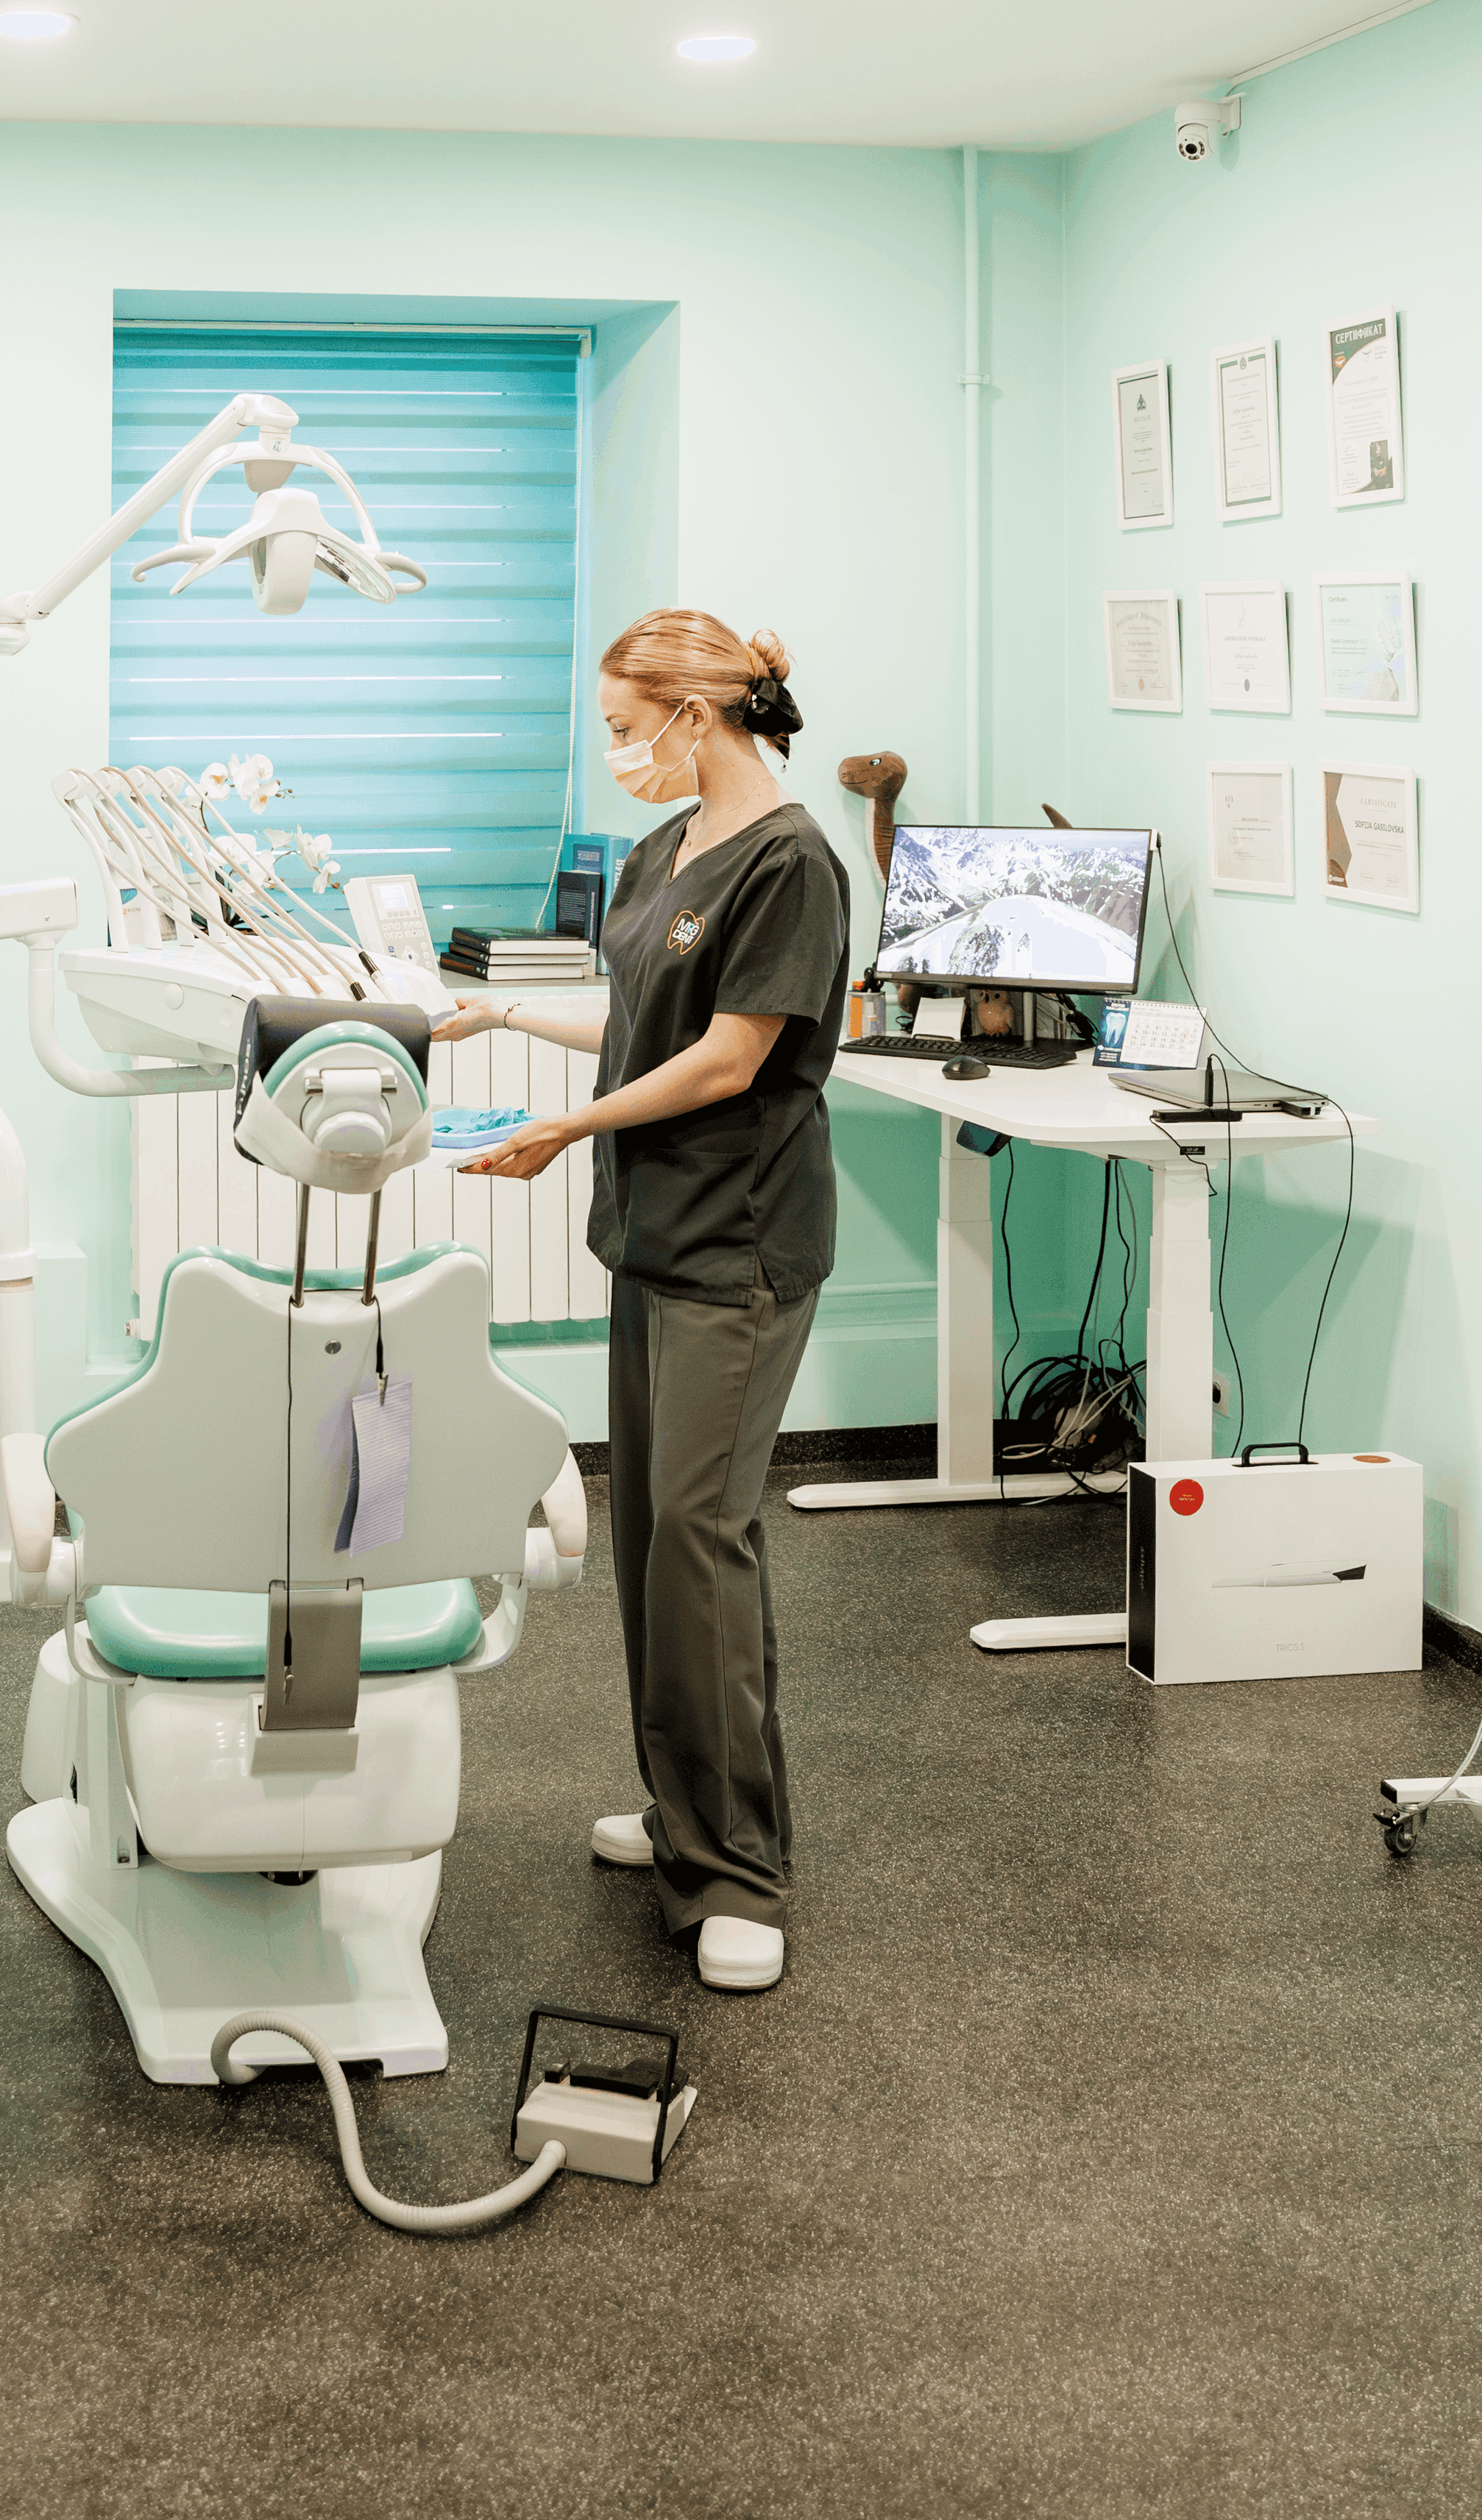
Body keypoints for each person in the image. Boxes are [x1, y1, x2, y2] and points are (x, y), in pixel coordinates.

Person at [436, 608, 848, 1992]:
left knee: (702, 1537)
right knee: (648, 1551)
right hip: (655, 1234)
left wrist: (565, 1129)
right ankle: (681, 1816)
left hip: (738, 1243)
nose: (617, 756)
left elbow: (729, 1063)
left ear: (695, 713)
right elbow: (639, 1020)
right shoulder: (676, 847)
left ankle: (739, 1870)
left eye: (627, 730)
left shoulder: (791, 864)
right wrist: (502, 1019)